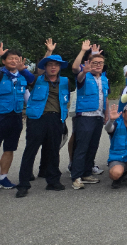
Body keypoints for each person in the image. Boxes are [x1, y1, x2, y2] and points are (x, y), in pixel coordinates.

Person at [15, 54, 69, 197]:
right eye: (50, 64)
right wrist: (22, 69)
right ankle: (23, 184)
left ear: (60, 67)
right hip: (37, 119)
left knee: (53, 151)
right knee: (30, 150)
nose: (53, 67)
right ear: (45, 67)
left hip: (56, 119)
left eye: (56, 65)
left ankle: (53, 181)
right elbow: (28, 76)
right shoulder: (37, 79)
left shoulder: (65, 81)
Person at [71, 40, 109, 189]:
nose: (98, 65)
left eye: (100, 63)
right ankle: (76, 176)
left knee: (93, 146)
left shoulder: (104, 79)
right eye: (95, 63)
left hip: (98, 116)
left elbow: (105, 97)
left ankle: (87, 173)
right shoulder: (84, 75)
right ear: (88, 63)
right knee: (82, 147)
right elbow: (76, 70)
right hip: (85, 116)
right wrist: (83, 52)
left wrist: (106, 114)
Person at [0, 46, 35, 189]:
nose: (14, 61)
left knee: (9, 148)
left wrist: (23, 70)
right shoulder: (1, 74)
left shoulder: (22, 76)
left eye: (17, 58)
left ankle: (3, 178)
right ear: (3, 61)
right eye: (10, 58)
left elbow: (31, 82)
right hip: (1, 116)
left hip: (16, 117)